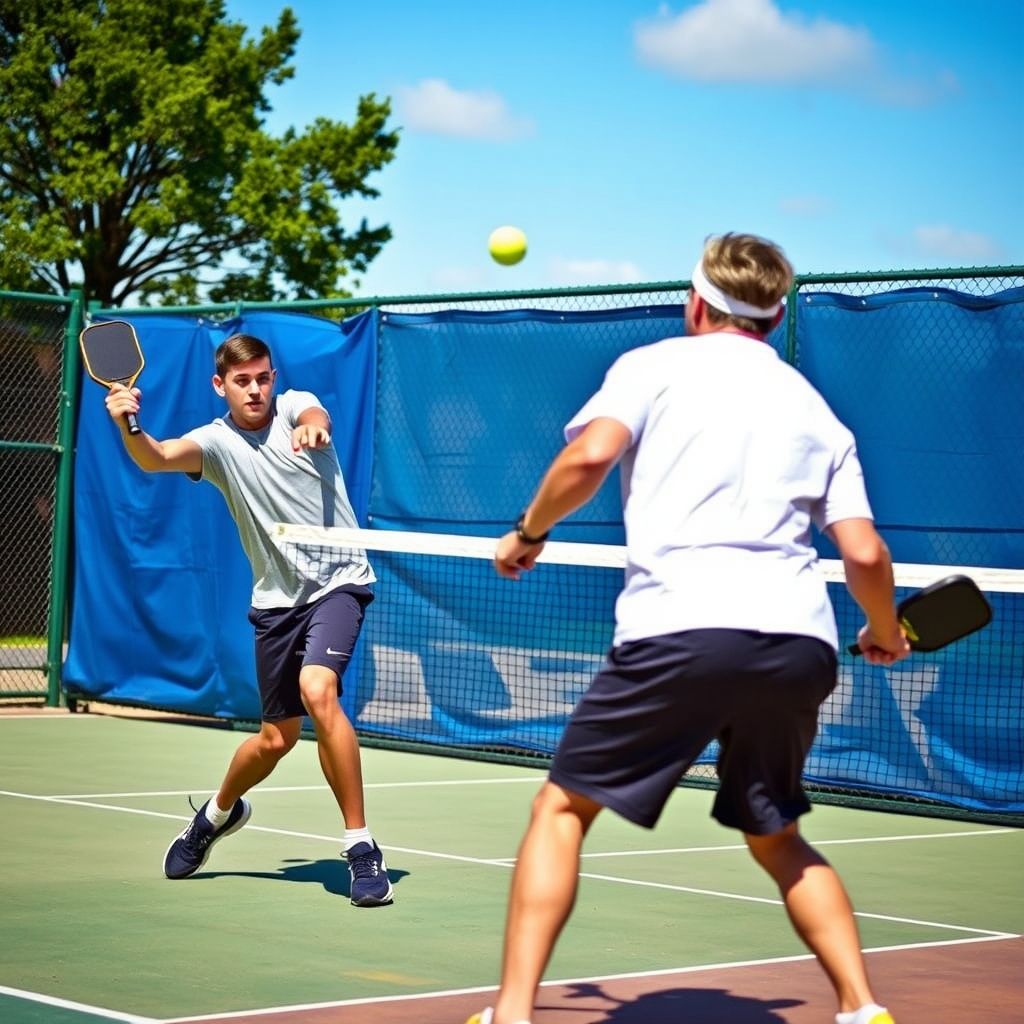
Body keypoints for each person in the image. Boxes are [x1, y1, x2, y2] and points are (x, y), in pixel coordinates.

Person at [465, 233, 910, 1024]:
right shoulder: (817, 411)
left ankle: (511, 1015)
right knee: (778, 838)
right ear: (773, 319)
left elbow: (589, 457)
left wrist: (529, 531)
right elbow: (866, 552)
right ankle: (861, 1008)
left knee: (561, 811)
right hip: (795, 645)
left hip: (681, 628)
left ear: (697, 302)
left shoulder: (652, 366)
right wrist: (885, 630)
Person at [104, 333, 393, 908]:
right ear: (221, 386)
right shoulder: (212, 444)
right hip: (275, 603)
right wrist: (128, 426)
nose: (256, 389)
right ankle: (214, 817)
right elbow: (155, 458)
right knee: (273, 739)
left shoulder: (293, 408)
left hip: (339, 582)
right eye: (243, 381)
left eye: (263, 377)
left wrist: (313, 427)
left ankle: (361, 847)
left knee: (319, 689)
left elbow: (314, 413)